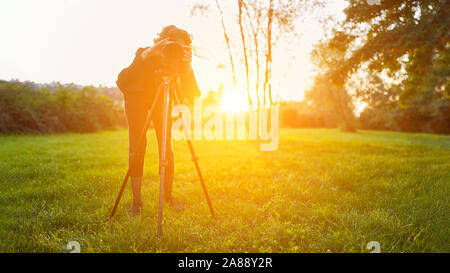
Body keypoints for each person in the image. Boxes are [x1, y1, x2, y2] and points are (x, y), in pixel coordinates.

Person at [116, 25, 201, 216]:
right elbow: (122, 80)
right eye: (171, 46)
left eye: (180, 47)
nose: (174, 51)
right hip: (136, 97)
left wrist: (187, 67)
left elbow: (194, 94)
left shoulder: (181, 61)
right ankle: (136, 203)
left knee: (166, 145)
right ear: (160, 42)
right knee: (138, 145)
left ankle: (168, 198)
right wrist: (147, 56)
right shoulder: (144, 53)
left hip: (163, 97)